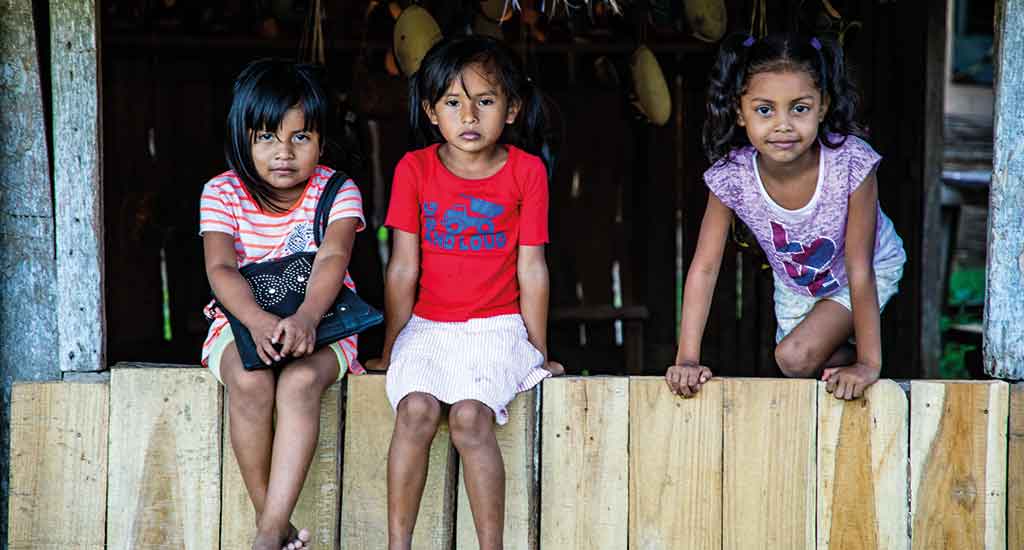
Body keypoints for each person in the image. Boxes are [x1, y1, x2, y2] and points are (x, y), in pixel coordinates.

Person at [376, 35, 562, 550]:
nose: (470, 116)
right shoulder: (413, 170)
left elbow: (533, 269)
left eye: (485, 101)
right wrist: (392, 347)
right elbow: (402, 269)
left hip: (496, 326)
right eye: (453, 103)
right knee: (414, 410)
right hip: (429, 327)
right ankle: (398, 545)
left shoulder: (527, 172)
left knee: (469, 417)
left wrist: (538, 351)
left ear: (512, 108)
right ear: (431, 112)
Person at [665, 33, 906, 401]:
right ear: (738, 111)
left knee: (794, 355)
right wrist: (687, 358)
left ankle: (864, 355)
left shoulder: (850, 163)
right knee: (795, 365)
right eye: (765, 110)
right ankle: (842, 356)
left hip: (868, 266)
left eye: (800, 108)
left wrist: (868, 365)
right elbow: (705, 267)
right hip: (799, 285)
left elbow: (860, 268)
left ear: (822, 107)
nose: (783, 125)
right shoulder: (732, 177)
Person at [199, 58, 366, 550]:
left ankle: (269, 534)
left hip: (324, 319)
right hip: (239, 319)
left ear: (320, 139)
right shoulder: (222, 192)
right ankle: (272, 526)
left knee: (297, 384)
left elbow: (334, 255)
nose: (284, 153)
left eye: (301, 137)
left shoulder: (336, 190)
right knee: (248, 380)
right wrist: (254, 322)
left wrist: (306, 319)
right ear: (241, 138)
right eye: (267, 137)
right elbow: (221, 270)